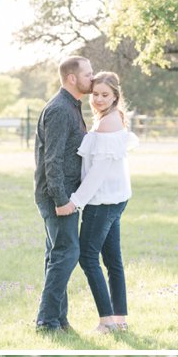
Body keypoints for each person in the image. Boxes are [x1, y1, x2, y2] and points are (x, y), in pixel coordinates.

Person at [56, 71, 138, 334]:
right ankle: (120, 319)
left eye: (105, 95)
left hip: (102, 202)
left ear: (115, 96)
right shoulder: (109, 119)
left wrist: (76, 202)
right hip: (116, 198)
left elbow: (98, 172)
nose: (99, 99)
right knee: (113, 259)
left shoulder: (108, 123)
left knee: (89, 257)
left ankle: (106, 321)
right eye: (96, 95)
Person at [34, 55, 94, 334]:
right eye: (88, 74)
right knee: (66, 254)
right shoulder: (59, 109)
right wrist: (61, 201)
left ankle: (59, 320)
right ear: (72, 78)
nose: (92, 79)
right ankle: (46, 321)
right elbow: (52, 160)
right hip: (58, 196)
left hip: (66, 194)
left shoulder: (72, 107)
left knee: (57, 254)